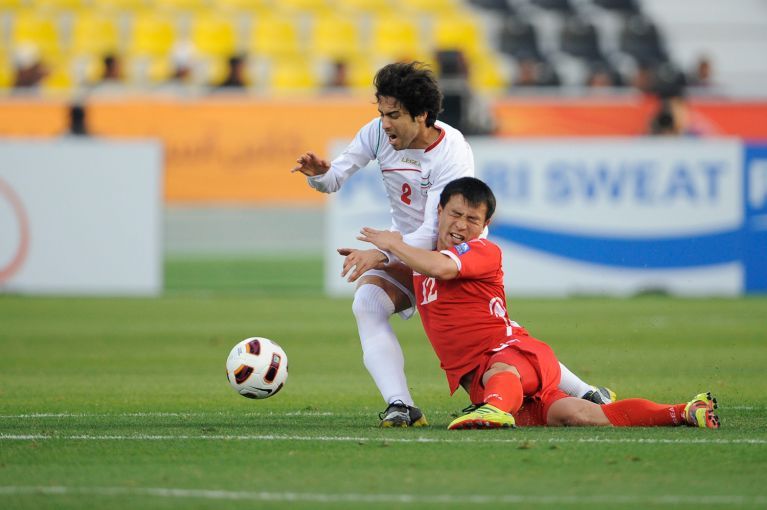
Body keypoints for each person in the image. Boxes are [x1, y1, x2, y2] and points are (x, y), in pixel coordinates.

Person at [293, 62, 610, 428]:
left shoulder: (452, 150)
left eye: (394, 115)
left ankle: (586, 392)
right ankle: (401, 406)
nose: (385, 123)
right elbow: (335, 178)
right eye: (382, 113)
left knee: (497, 335)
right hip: (404, 248)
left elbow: (435, 230)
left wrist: (381, 253)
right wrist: (319, 175)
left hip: (454, 252)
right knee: (368, 303)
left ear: (421, 115)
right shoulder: (377, 134)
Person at [349, 177, 720, 430]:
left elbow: (439, 268)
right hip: (486, 377)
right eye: (455, 215)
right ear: (439, 211)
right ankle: (685, 411)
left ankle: (496, 409)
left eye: (472, 219)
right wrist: (378, 256)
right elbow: (418, 259)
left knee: (501, 371)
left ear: (485, 224)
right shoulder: (422, 252)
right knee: (580, 415)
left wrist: (392, 243)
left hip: (513, 354)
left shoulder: (482, 251)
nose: (461, 225)